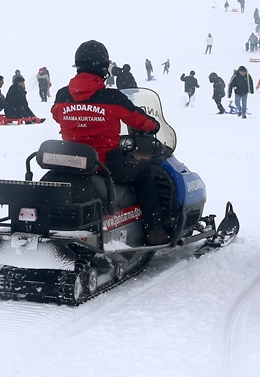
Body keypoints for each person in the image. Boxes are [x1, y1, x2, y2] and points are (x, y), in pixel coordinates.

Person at [51, 40, 171, 244]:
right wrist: (154, 125)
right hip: (105, 165)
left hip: (71, 165)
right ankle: (155, 229)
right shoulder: (112, 98)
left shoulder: (63, 95)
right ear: (104, 68)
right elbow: (142, 122)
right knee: (145, 172)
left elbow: (56, 115)